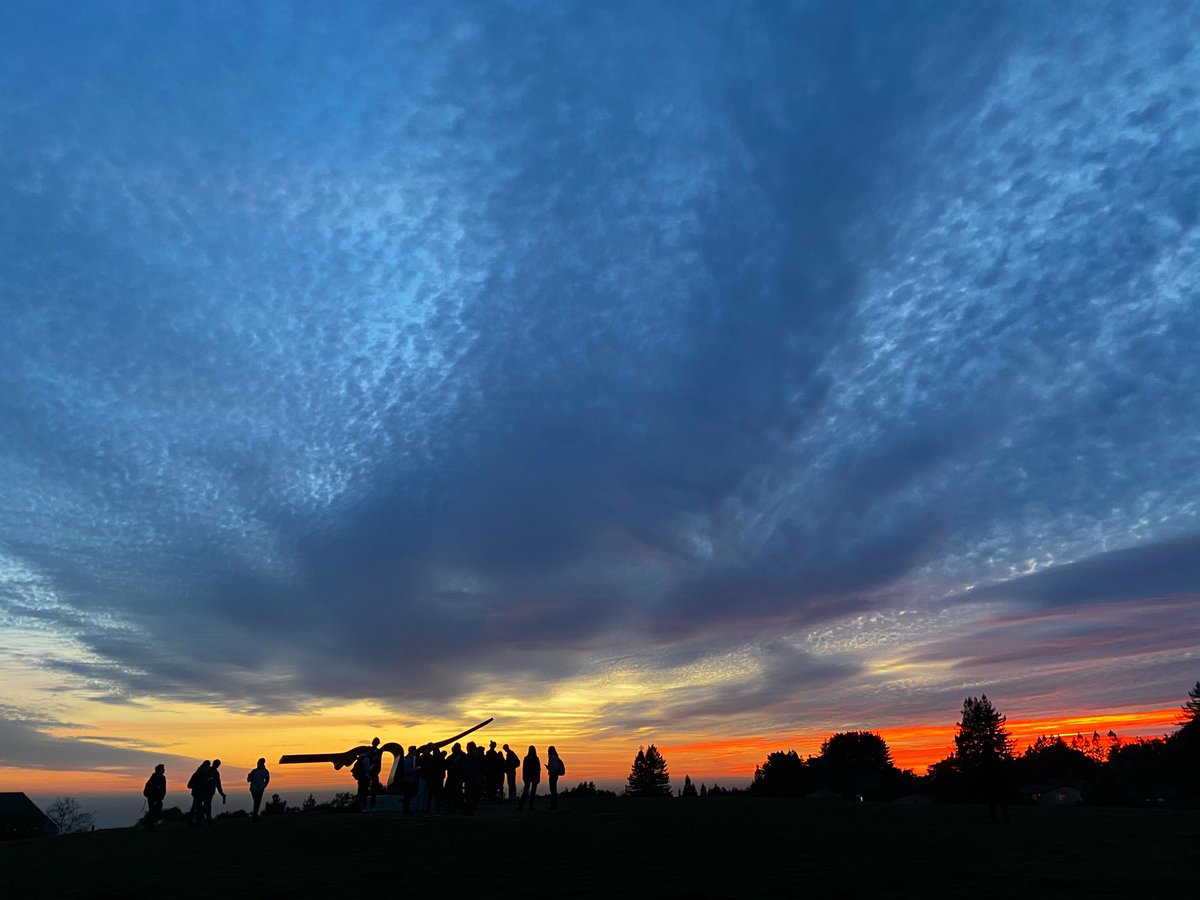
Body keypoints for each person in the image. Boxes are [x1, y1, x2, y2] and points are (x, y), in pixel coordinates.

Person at [186, 761, 211, 828]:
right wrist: (198, 786)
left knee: (196, 808)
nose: (208, 768)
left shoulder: (203, 774)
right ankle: (197, 823)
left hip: (200, 794)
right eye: (208, 767)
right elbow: (189, 785)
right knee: (198, 809)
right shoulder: (198, 774)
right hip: (197, 794)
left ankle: (193, 823)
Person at [143, 764, 166, 831]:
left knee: (156, 811)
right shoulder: (153, 779)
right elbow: (150, 790)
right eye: (162, 769)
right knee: (152, 812)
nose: (164, 770)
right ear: (159, 770)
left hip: (158, 798)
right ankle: (149, 826)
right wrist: (153, 798)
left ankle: (151, 825)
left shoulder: (162, 778)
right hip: (152, 798)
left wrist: (162, 796)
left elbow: (163, 789)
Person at [203, 758, 227, 824]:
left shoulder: (210, 771)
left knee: (206, 805)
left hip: (207, 790)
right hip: (207, 790)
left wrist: (222, 794)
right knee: (207, 805)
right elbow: (218, 784)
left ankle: (205, 819)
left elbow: (218, 784)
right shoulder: (212, 772)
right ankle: (207, 820)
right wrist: (222, 794)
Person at [518, 745, 541, 811]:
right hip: (532, 777)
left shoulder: (527, 758)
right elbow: (538, 769)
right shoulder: (535, 758)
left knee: (527, 792)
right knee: (531, 792)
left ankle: (522, 806)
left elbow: (524, 769)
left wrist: (524, 777)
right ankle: (529, 806)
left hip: (529, 777)